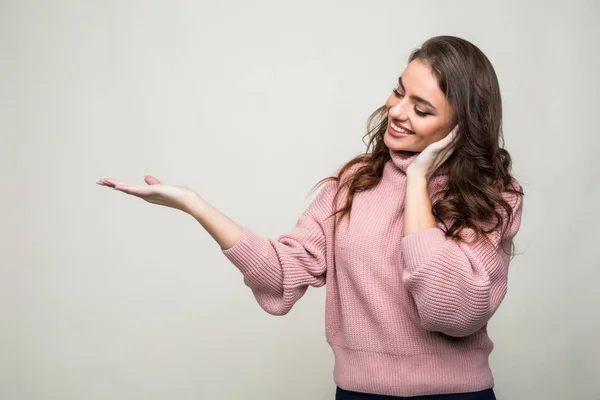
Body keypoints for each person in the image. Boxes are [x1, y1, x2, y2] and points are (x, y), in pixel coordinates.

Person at [97, 35, 524, 399]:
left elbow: (448, 310)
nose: (396, 111)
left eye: (422, 108)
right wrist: (194, 204)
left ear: (462, 126)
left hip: (458, 395)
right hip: (359, 393)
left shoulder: (495, 195)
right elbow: (281, 275)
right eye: (399, 92)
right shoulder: (355, 181)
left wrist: (417, 181)